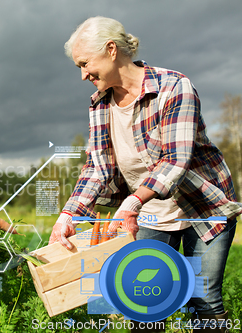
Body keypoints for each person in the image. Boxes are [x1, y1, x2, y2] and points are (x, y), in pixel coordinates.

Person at [49, 16, 241, 332]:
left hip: (203, 208)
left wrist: (132, 201)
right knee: (145, 303)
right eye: (78, 68)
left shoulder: (173, 87)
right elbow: (98, 167)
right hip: (148, 213)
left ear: (111, 49)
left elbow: (175, 161)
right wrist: (69, 214)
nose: (83, 75)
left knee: (202, 301)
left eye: (85, 64)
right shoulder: (100, 104)